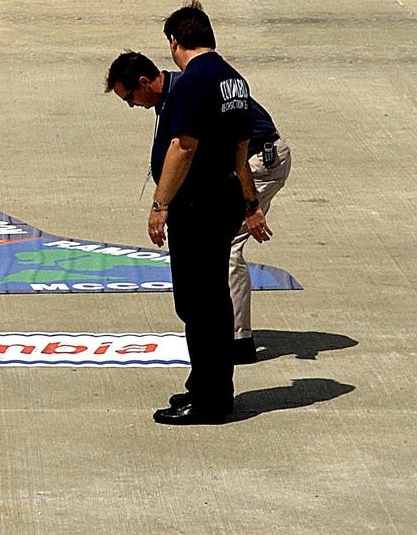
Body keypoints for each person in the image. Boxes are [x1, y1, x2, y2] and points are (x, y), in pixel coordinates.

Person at [107, 1, 270, 425]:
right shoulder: (234, 81)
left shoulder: (194, 82)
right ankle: (207, 385)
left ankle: (212, 400)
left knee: (199, 306)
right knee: (211, 300)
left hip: (197, 207)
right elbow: (238, 150)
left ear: (176, 41)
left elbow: (184, 146)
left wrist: (159, 205)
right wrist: (249, 202)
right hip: (222, 202)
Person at [105, 50, 291, 364]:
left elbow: (203, 148)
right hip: (243, 161)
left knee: (226, 247)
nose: (132, 105)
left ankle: (236, 341)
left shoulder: (186, 90)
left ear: (143, 83)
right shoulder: (171, 93)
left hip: (258, 160)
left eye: (130, 98)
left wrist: (250, 205)